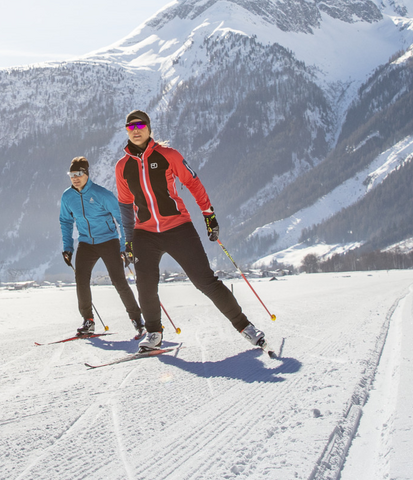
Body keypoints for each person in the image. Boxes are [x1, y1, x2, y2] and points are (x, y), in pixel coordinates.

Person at [114, 110, 268, 352]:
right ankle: (154, 333)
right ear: (126, 131)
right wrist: (129, 241)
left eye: (140, 125)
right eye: (130, 127)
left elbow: (193, 183)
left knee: (205, 281)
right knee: (145, 284)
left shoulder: (168, 155)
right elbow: (124, 205)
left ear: (149, 128)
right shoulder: (122, 166)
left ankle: (245, 326)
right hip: (144, 233)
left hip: (178, 228)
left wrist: (209, 215)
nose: (136, 130)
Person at [59, 156, 145, 338]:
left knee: (119, 281)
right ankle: (88, 321)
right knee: (81, 280)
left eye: (79, 174)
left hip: (108, 242)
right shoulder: (67, 197)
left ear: (87, 174)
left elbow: (123, 219)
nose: (75, 178)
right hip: (86, 243)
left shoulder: (102, 194)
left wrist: (125, 246)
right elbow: (65, 221)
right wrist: (68, 248)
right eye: (72, 174)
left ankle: (138, 320)